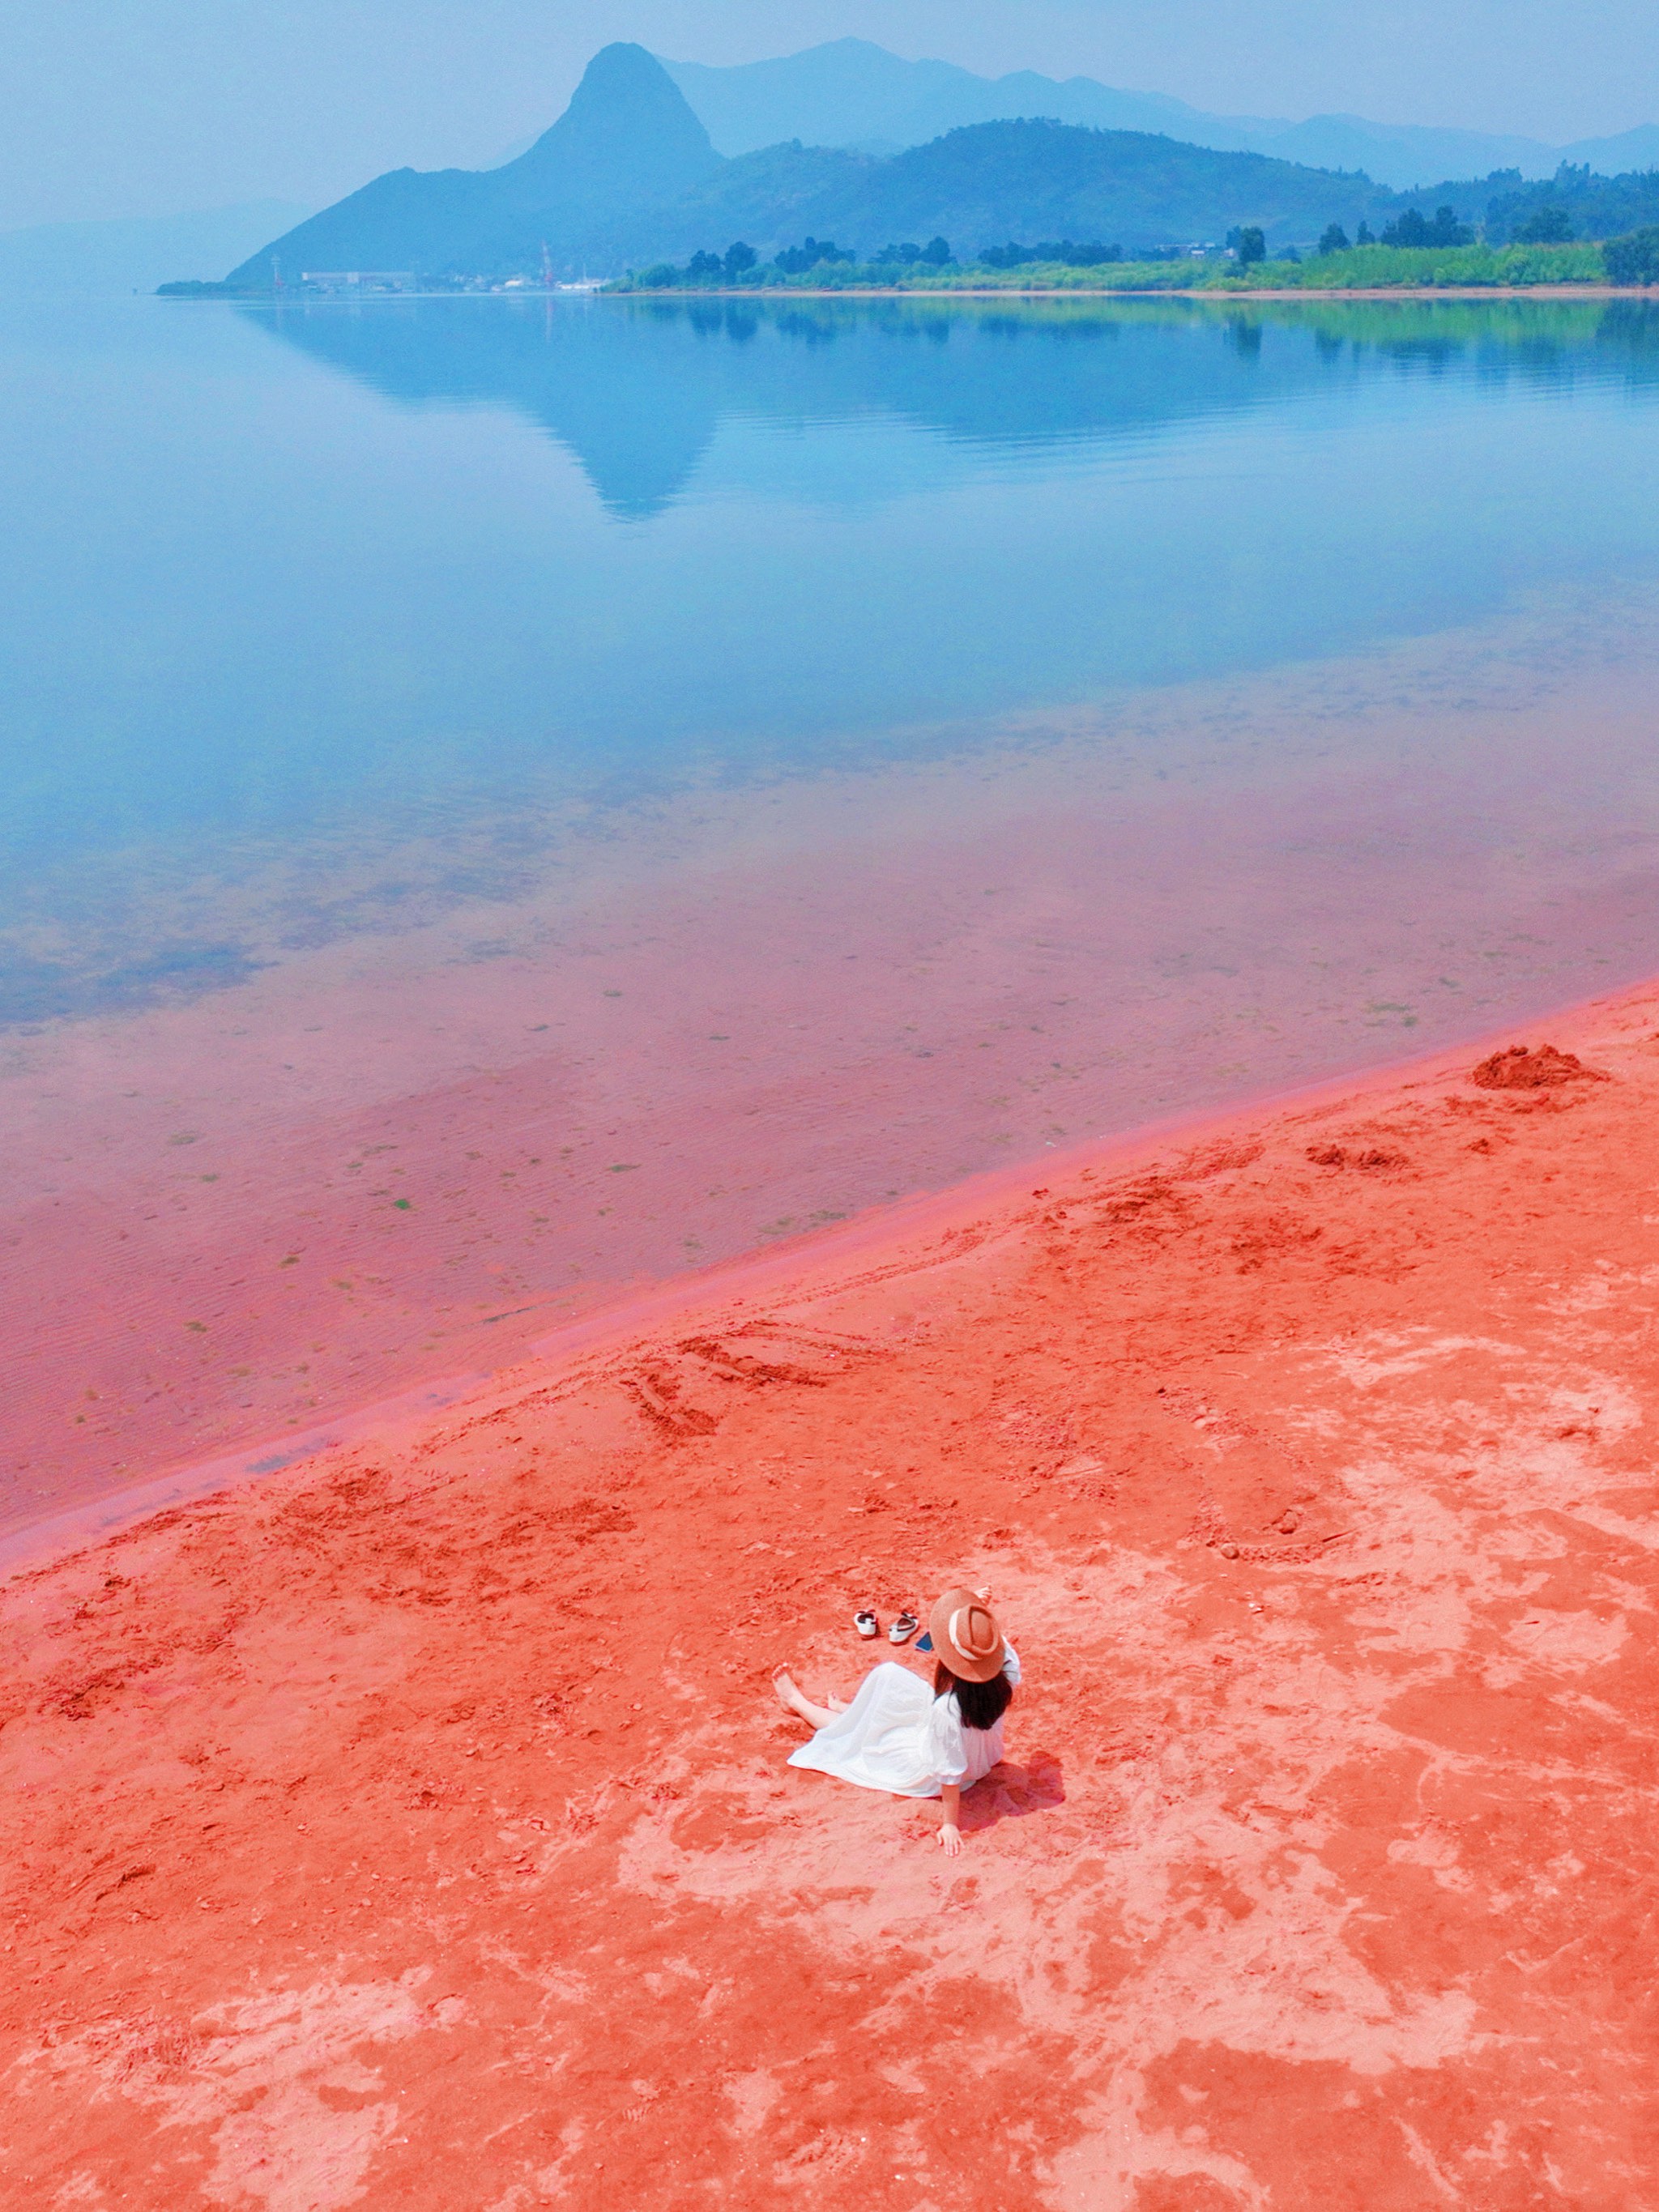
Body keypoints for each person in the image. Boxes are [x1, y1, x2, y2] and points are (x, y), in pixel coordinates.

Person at [774, 1586, 1019, 1856]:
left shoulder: (947, 1710)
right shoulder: (1006, 1675)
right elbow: (984, 1643)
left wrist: (950, 1824)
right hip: (982, 1756)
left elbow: (949, 1772)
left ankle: (797, 1703)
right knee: (889, 1676)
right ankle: (856, 1711)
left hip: (933, 1770)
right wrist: (976, 1615)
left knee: (857, 1736)